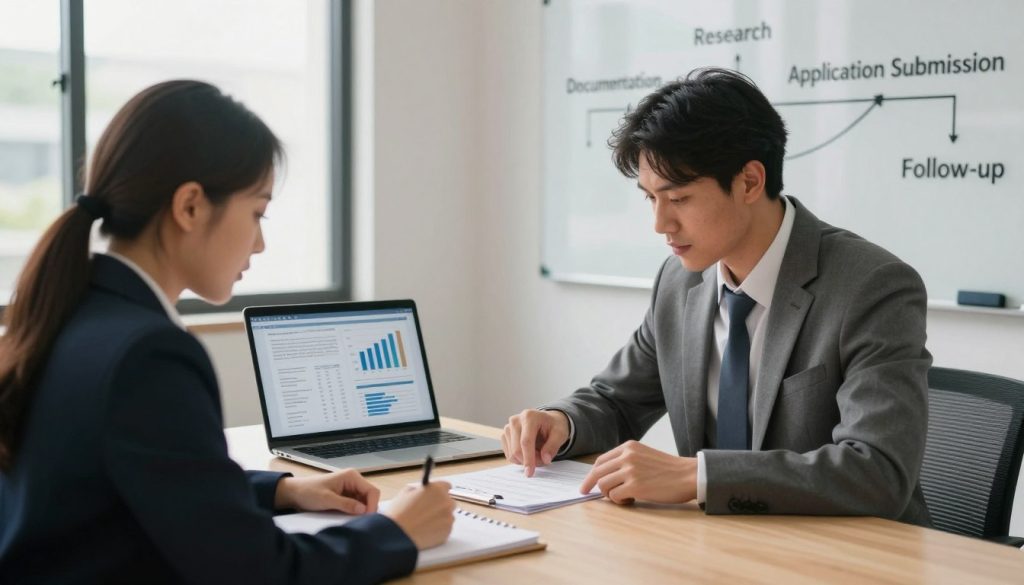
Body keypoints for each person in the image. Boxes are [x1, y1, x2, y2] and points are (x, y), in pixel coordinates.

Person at [0, 80, 455, 584]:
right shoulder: (148, 354)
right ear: (190, 206)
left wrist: (281, 490)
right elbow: (258, 572)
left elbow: (133, 477)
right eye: (257, 212)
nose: (259, 244)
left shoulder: (68, 313)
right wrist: (397, 530)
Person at [501, 68, 932, 524]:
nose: (660, 224)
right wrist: (561, 423)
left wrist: (698, 477)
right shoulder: (680, 281)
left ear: (749, 182)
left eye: (679, 198)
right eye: (650, 199)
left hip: (852, 555)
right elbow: (616, 401)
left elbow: (877, 471)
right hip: (721, 547)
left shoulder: (871, 286)